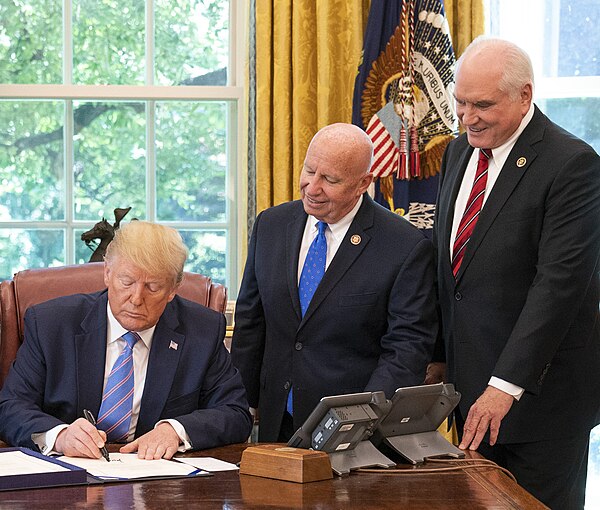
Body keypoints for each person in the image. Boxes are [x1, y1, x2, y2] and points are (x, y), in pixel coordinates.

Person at [427, 36, 600, 509]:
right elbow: (451, 276)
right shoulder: (457, 153)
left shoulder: (573, 165)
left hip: (539, 406)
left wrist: (505, 387)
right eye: (460, 102)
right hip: (469, 396)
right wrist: (437, 357)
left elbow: (558, 287)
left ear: (524, 95)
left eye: (482, 105)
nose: (467, 117)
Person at [231, 122, 438, 442]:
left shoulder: (404, 246)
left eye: (329, 179)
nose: (312, 187)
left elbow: (407, 348)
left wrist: (360, 422)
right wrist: (241, 405)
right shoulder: (271, 225)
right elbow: (251, 321)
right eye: (309, 170)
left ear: (363, 183)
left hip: (352, 431)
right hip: (275, 422)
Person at [0, 221, 252, 460]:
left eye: (152, 287)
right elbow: (11, 407)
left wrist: (176, 430)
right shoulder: (51, 324)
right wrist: (60, 436)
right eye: (126, 282)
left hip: (159, 484)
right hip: (69, 479)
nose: (136, 298)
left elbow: (235, 413)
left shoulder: (202, 330)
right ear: (107, 273)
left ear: (174, 289)